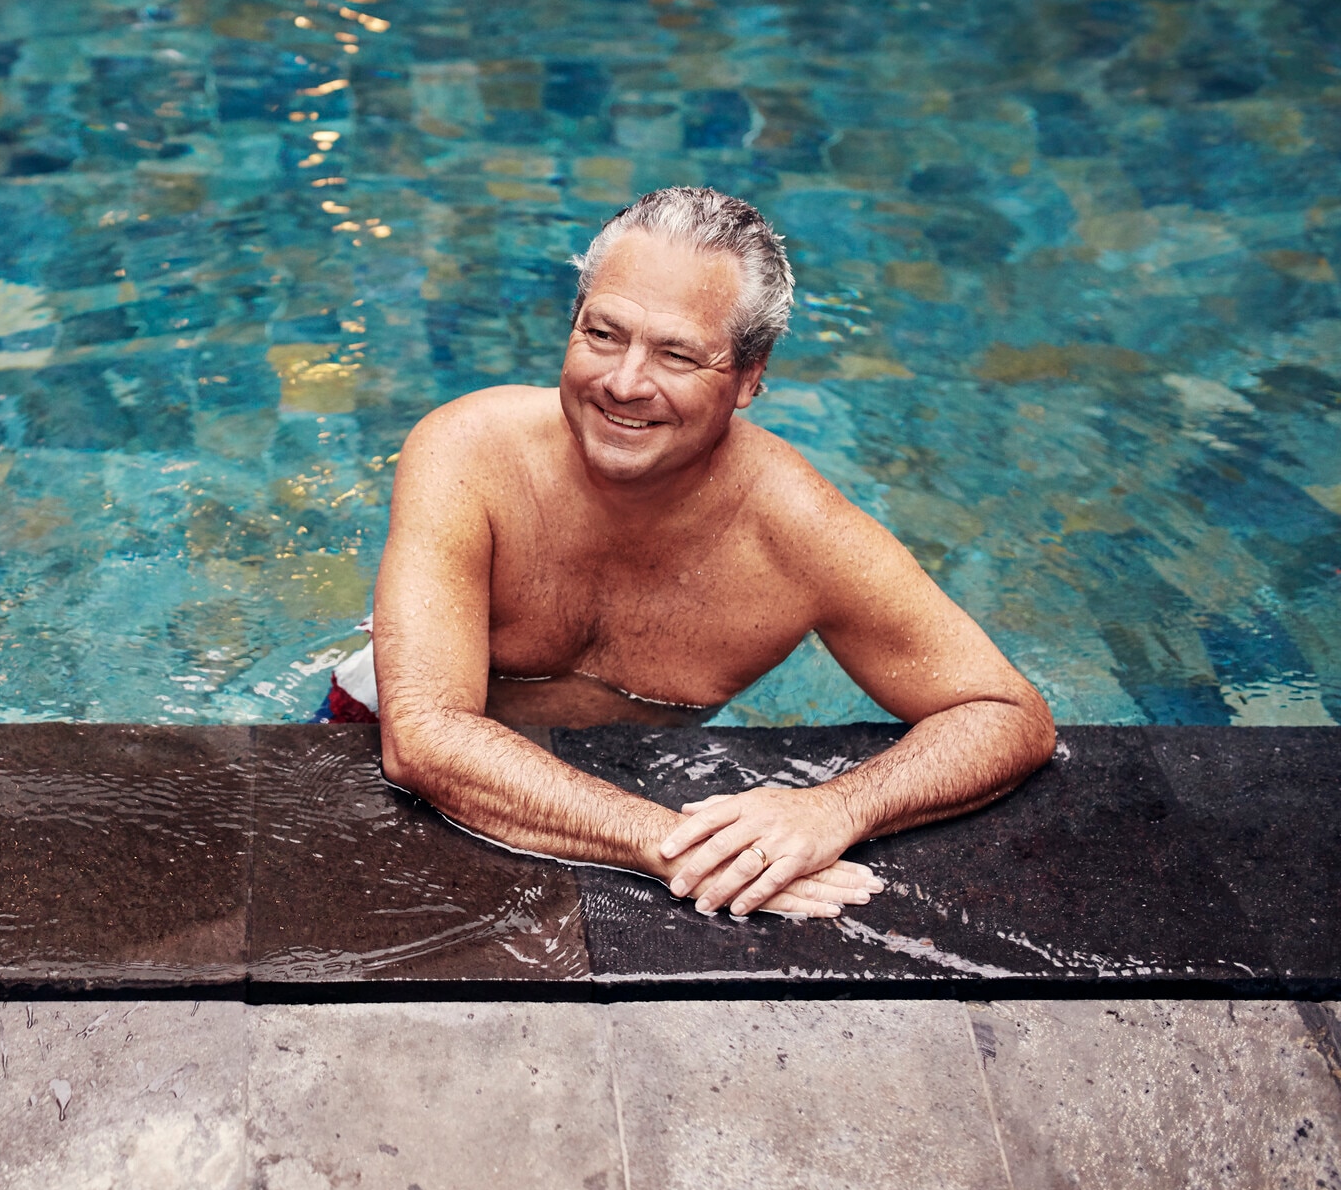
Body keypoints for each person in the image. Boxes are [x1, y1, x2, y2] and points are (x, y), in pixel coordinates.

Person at [333, 186, 1056, 921]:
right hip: (385, 749)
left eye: (677, 353)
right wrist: (685, 847)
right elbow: (423, 740)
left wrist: (836, 809)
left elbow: (1007, 712)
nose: (623, 383)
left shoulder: (799, 533)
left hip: (605, 784)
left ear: (749, 375)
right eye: (603, 334)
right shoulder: (468, 453)